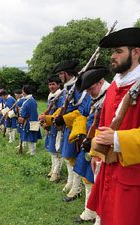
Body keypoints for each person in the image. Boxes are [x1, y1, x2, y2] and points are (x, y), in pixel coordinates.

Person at [87, 27, 140, 225]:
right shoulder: (114, 87)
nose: (112, 57)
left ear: (136, 53)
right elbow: (103, 124)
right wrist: (97, 154)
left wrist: (117, 140)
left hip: (133, 180)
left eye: (118, 51)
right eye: (112, 52)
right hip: (108, 172)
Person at [43, 60, 91, 201]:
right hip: (67, 127)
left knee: (75, 159)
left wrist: (64, 119)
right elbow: (64, 109)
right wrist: (51, 118)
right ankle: (71, 184)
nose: (60, 77)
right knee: (68, 158)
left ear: (67, 73)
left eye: (61, 74)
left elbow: (82, 111)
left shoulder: (79, 89)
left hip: (75, 127)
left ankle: (76, 189)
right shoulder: (68, 88)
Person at [70, 66, 111, 224]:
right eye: (85, 90)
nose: (88, 93)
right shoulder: (96, 96)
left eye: (90, 89)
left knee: (101, 185)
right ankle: (89, 211)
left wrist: (92, 142)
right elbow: (83, 114)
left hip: (102, 148)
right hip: (89, 143)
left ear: (100, 82)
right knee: (88, 179)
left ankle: (99, 219)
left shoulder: (109, 96)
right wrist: (81, 135)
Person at [40, 75, 64, 182]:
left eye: (53, 84)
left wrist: (48, 119)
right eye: (49, 84)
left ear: (59, 85)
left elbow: (59, 112)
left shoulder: (61, 97)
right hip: (50, 126)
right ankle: (53, 170)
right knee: (52, 150)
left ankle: (56, 173)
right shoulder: (51, 96)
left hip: (57, 125)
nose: (51, 86)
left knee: (57, 150)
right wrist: (45, 122)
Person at [19, 85, 42, 155]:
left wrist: (33, 124)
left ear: (24, 91)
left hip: (30, 121)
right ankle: (30, 150)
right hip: (25, 120)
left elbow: (34, 114)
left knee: (31, 136)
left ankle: (33, 152)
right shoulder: (27, 100)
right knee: (28, 136)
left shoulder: (31, 101)